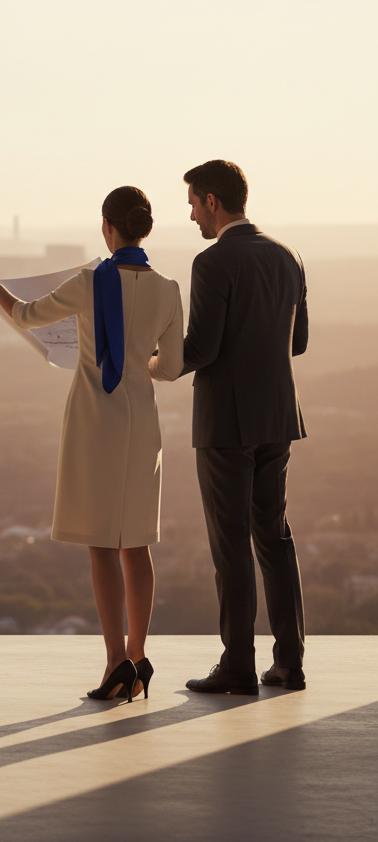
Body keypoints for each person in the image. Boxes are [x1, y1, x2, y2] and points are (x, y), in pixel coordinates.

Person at [0, 187, 184, 702]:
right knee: (136, 542)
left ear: (108, 228)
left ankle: (115, 663)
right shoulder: (170, 289)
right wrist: (138, 365)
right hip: (142, 421)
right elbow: (171, 368)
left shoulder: (90, 281)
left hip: (94, 418)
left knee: (100, 542)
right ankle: (139, 653)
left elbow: (24, 317)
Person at [180, 160, 308, 695]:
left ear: (212, 200)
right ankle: (289, 663)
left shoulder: (212, 262)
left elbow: (202, 349)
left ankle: (237, 664)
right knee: (274, 538)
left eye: (192, 203)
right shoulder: (288, 256)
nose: (190, 216)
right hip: (277, 416)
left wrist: (149, 358)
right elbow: (297, 344)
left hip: (225, 421)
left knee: (230, 545)